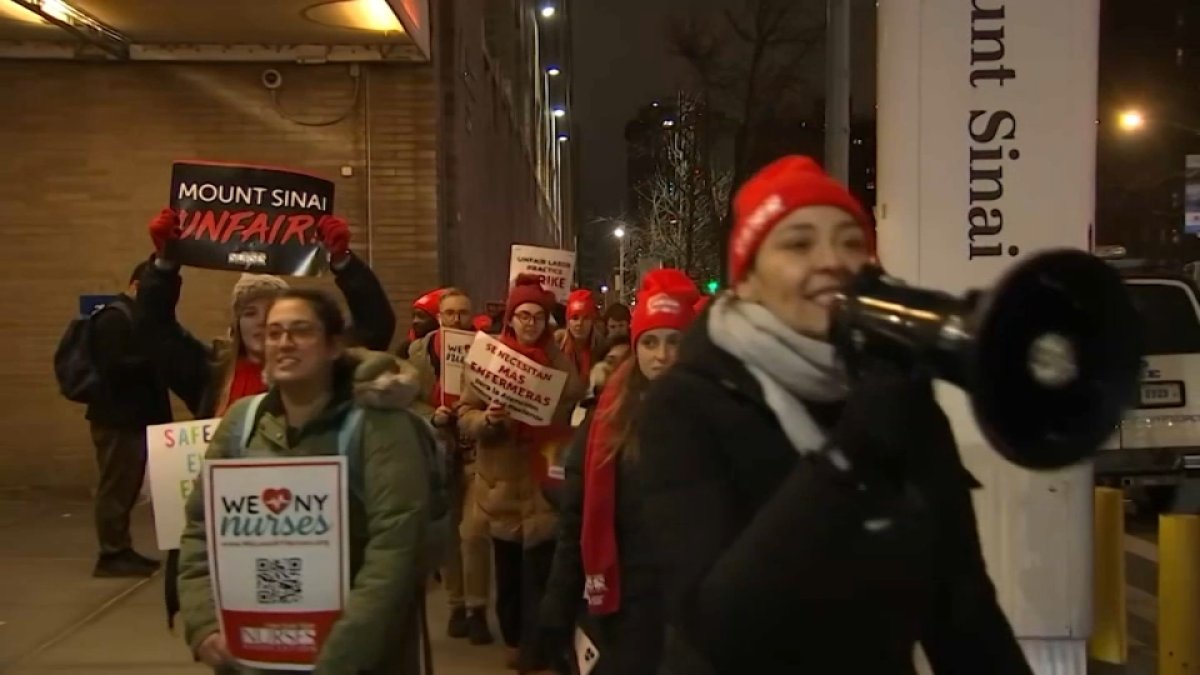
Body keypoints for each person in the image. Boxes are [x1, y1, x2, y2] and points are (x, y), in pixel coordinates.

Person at [637, 156, 1033, 673]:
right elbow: (718, 626)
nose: (833, 260)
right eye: (799, 244)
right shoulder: (685, 404)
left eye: (851, 242)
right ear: (747, 280)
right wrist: (852, 453)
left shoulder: (896, 395)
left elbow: (962, 607)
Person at [140, 208, 399, 627]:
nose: (262, 323)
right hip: (233, 550)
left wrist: (344, 264)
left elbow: (375, 325)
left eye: (272, 312)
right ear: (235, 322)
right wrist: (165, 265)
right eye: (249, 312)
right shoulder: (211, 372)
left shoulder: (321, 371)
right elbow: (154, 328)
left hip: (314, 542)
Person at [178, 289, 431, 674]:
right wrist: (203, 625)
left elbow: (397, 547)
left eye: (301, 331)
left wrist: (339, 653)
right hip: (255, 655)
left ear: (332, 346)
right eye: (274, 332)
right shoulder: (241, 423)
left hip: (361, 658)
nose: (284, 342)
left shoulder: (378, 424)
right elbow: (201, 530)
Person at [542, 269, 699, 675]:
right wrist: (555, 614)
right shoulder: (607, 420)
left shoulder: (714, 416)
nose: (661, 356)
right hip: (623, 605)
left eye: (673, 342)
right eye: (649, 342)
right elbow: (576, 520)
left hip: (691, 609)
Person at [455, 274, 586, 674]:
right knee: (509, 574)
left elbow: (573, 401)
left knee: (541, 574)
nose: (530, 324)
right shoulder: (490, 360)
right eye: (523, 316)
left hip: (542, 481)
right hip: (502, 482)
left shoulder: (560, 362)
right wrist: (488, 420)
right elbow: (465, 415)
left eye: (537, 317)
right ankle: (514, 639)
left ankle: (536, 645)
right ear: (510, 319)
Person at [407, 287, 495, 645]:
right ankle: (456, 604)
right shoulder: (419, 352)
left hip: (476, 451)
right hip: (440, 452)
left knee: (473, 533)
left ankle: (477, 607)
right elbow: (409, 401)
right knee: (448, 534)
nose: (457, 319)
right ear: (439, 317)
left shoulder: (486, 349)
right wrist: (432, 417)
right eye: (450, 314)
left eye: (463, 313)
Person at [86, 261, 168, 577]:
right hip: (117, 419)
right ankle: (111, 554)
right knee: (116, 488)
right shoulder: (114, 318)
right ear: (136, 284)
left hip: (129, 418)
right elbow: (112, 367)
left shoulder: (133, 317)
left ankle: (121, 548)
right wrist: (153, 359)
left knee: (126, 486)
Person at [556, 289, 604, 381]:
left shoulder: (603, 348)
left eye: (585, 318)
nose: (579, 323)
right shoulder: (556, 346)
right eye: (575, 318)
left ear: (592, 321)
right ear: (568, 321)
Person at [397, 289, 444, 356]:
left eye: (421, 316)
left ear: (437, 319)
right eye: (413, 316)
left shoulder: (445, 347)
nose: (415, 321)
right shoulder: (405, 349)